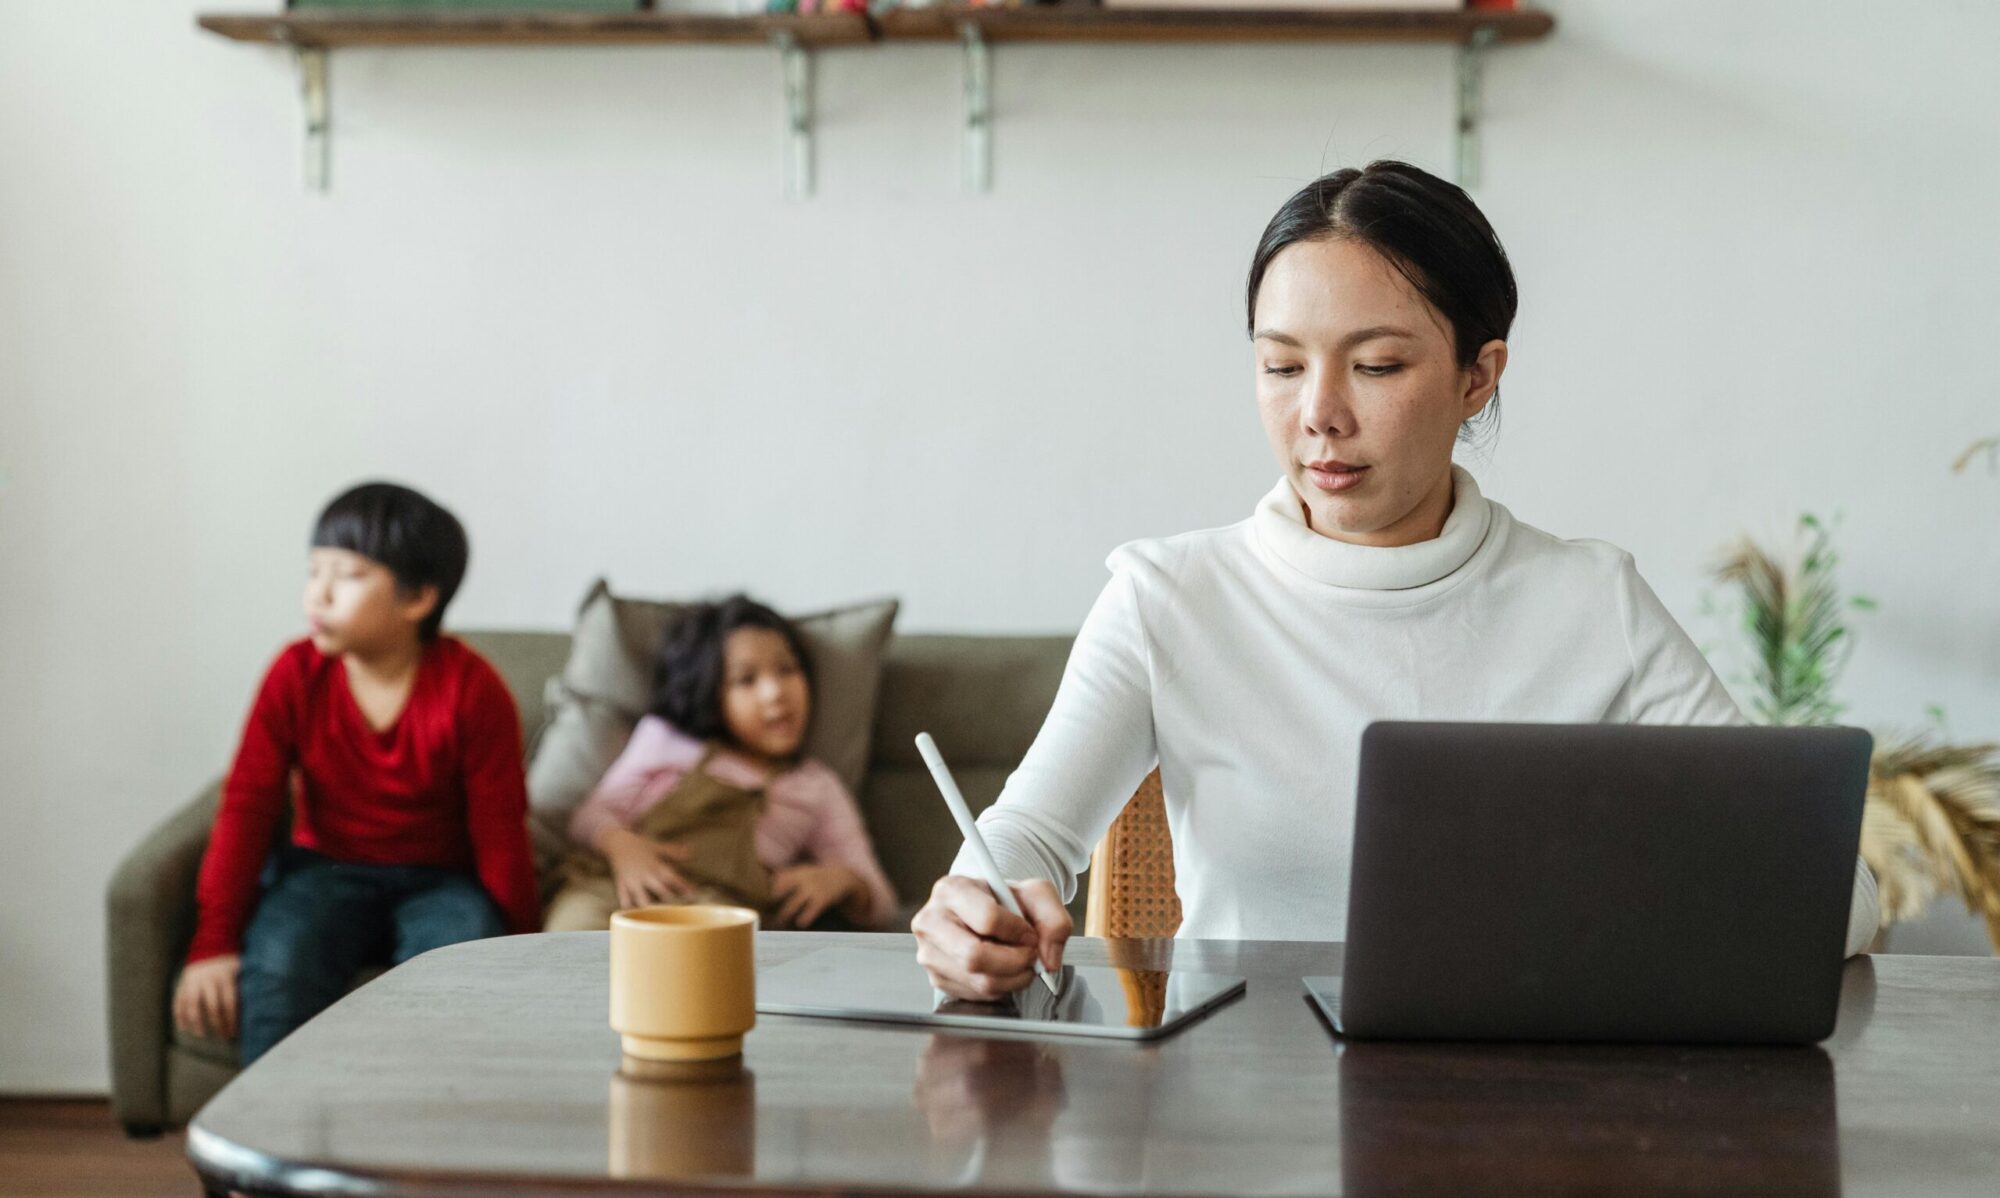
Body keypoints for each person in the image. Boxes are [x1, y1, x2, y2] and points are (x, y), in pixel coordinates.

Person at [911, 160, 1881, 1000]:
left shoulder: (1589, 603)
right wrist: (971, 913)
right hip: (1237, 1127)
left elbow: (1838, 897)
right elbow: (1020, 844)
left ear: (1476, 375)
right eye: (1280, 365)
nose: (1318, 414)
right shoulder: (1167, 597)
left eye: (1374, 365)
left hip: (1522, 1126)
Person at [173, 482, 541, 1063]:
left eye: (345, 575)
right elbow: (247, 805)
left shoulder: (473, 690)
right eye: (313, 570)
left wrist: (526, 955)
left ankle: (430, 1136)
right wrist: (212, 941)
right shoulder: (294, 675)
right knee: (280, 963)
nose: (316, 593)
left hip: (440, 881)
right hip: (324, 870)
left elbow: (501, 832)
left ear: (417, 596)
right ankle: (271, 1137)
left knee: (463, 968)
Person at [545, 594, 897, 932]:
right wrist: (623, 847)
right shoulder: (666, 740)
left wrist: (843, 880)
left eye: (787, 669)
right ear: (710, 693)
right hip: (614, 892)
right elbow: (587, 817)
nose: (775, 692)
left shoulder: (816, 786)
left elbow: (882, 902)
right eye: (746, 679)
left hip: (720, 917)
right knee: (573, 952)